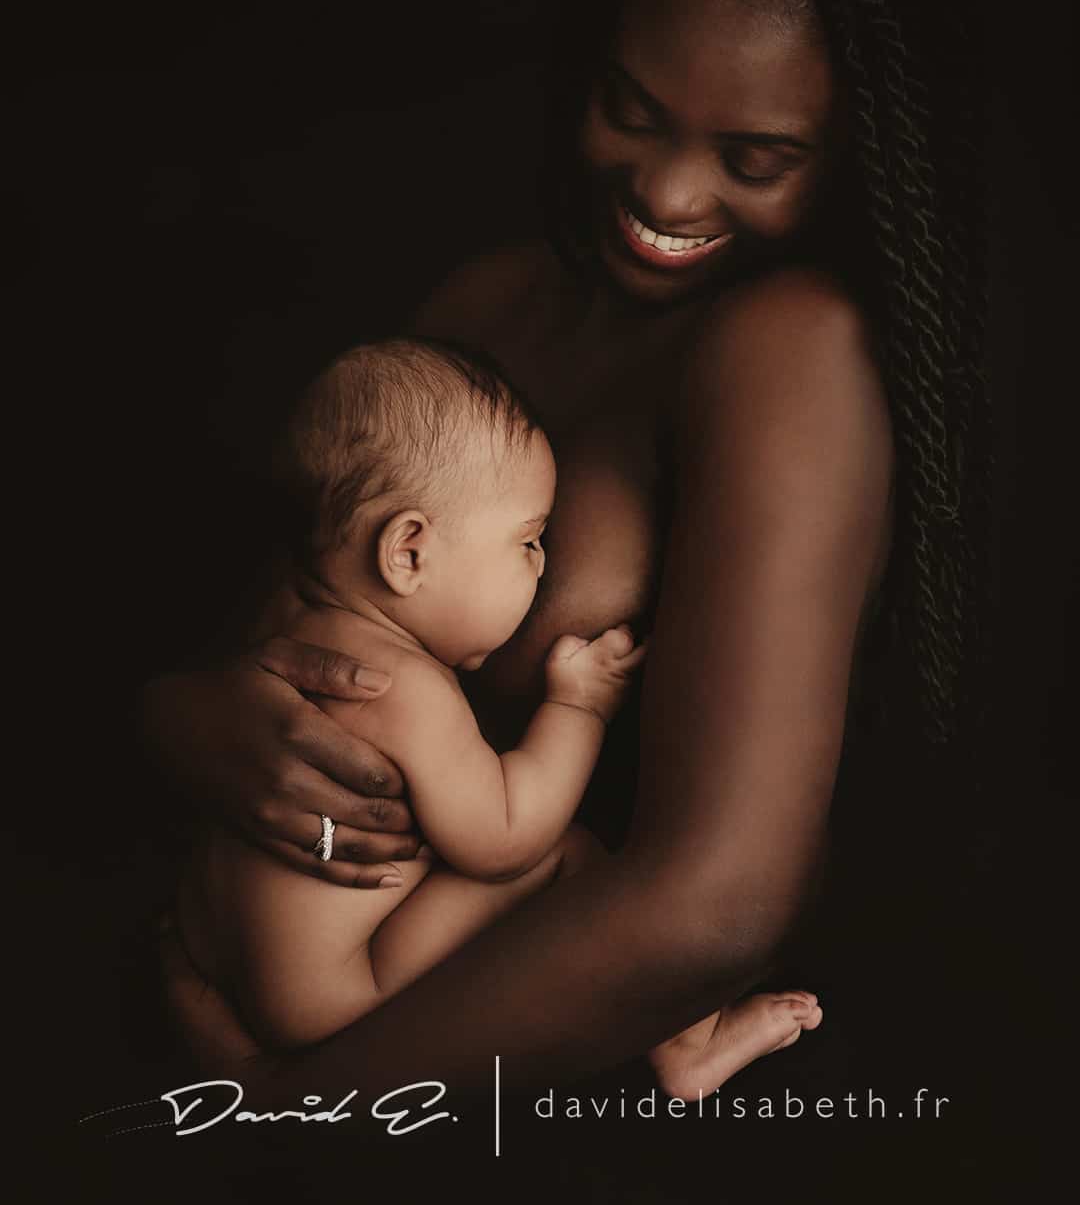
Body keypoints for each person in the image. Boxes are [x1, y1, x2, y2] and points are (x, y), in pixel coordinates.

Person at [148, 0, 991, 1106]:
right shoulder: (490, 296)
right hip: (289, 965)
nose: (664, 191)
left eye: (756, 158)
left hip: (463, 1071)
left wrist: (288, 1122)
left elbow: (718, 905)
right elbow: (287, 629)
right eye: (631, 108)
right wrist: (185, 722)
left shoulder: (790, 349)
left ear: (863, 152)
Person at [176, 336, 821, 1091]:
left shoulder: (281, 630)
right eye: (529, 540)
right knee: (567, 858)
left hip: (219, 954)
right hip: (335, 990)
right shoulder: (403, 689)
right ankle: (688, 1045)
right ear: (408, 554)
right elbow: (504, 838)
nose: (543, 563)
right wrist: (578, 707)